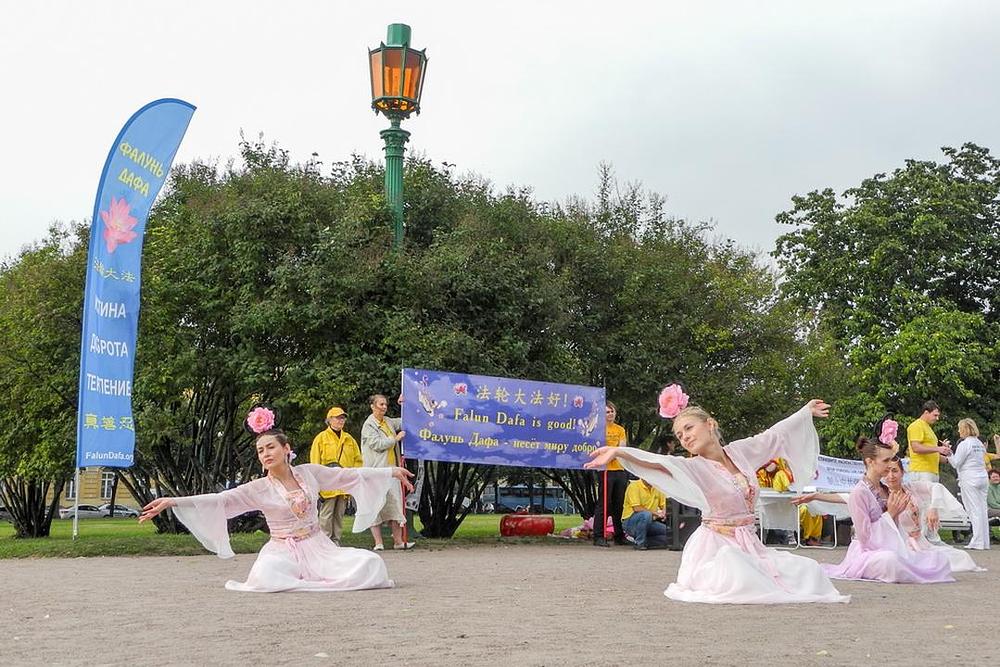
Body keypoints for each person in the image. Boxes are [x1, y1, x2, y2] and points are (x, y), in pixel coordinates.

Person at [586, 398, 849, 604]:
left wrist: (803, 413)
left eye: (689, 428)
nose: (685, 437)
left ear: (709, 424)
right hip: (716, 547)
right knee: (735, 571)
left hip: (750, 544)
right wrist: (619, 451)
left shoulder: (741, 452)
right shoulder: (694, 467)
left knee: (808, 572)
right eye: (679, 435)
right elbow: (661, 463)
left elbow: (772, 436)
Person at [138, 407, 414, 592]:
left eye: (271, 447)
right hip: (282, 550)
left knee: (371, 564)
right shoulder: (259, 488)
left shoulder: (309, 473)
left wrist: (390, 470)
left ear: (286, 449)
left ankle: (315, 574)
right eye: (260, 450)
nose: (265, 453)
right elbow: (220, 499)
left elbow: (348, 475)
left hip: (318, 546)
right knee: (267, 573)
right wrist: (173, 501)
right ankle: (300, 575)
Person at [796, 456, 983, 573]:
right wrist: (815, 496)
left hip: (920, 543)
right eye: (888, 471)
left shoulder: (912, 489)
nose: (891, 476)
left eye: (895, 471)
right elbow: (847, 497)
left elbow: (936, 487)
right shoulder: (880, 495)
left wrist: (933, 507)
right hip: (898, 543)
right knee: (914, 562)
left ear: (903, 473)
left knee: (961, 558)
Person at [820, 437, 952, 584]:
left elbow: (895, 530)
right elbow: (864, 538)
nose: (889, 465)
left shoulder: (884, 489)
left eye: (891, 460)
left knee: (939, 559)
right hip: (866, 553)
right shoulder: (859, 492)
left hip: (888, 547)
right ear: (870, 462)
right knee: (890, 560)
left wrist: (897, 515)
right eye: (885, 461)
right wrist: (890, 514)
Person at [361, 393, 413, 551]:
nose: (384, 407)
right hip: (376, 471)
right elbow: (376, 444)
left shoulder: (388, 421)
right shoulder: (368, 425)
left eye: (385, 405)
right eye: (380, 404)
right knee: (375, 506)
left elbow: (405, 421)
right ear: (372, 406)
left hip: (392, 470)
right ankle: (378, 543)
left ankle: (398, 541)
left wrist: (404, 405)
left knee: (395, 505)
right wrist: (395, 439)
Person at [310, 406, 364, 545]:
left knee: (339, 514)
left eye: (343, 418)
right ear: (329, 420)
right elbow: (315, 462)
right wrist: (316, 483)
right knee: (326, 514)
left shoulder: (349, 439)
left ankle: (336, 541)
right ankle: (324, 541)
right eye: (338, 418)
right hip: (327, 483)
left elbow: (358, 460)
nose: (341, 420)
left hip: (344, 482)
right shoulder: (321, 438)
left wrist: (354, 477)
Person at [948, 418, 990, 550]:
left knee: (973, 510)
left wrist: (949, 453)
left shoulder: (964, 444)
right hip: (982, 477)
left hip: (969, 478)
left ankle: (977, 541)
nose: (958, 431)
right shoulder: (978, 443)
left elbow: (956, 463)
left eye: (960, 428)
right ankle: (984, 541)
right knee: (982, 509)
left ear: (964, 429)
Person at [593, 401, 629, 547]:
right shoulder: (598, 430)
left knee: (618, 504)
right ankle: (598, 536)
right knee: (604, 503)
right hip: (605, 469)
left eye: (612, 411)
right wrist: (608, 455)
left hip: (619, 469)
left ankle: (619, 535)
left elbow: (622, 448)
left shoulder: (620, 429)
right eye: (607, 412)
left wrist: (613, 453)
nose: (610, 414)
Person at [621, 476, 668, 550]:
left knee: (669, 534)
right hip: (630, 521)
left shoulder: (657, 487)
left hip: (649, 521)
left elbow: (664, 504)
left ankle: (643, 540)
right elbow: (637, 508)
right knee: (646, 514)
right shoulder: (634, 486)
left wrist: (664, 513)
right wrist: (656, 513)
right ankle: (640, 543)